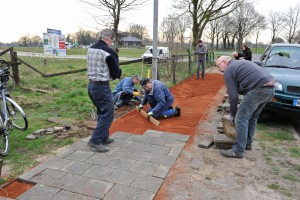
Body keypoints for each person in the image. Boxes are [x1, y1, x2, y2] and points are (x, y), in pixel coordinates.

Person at [216, 56, 275, 158]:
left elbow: (233, 96)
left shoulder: (229, 70)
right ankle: (247, 144)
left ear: (224, 61)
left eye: (218, 65)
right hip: (270, 88)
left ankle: (238, 150)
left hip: (259, 89)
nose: (218, 69)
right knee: (252, 117)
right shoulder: (239, 64)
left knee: (241, 118)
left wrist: (233, 115)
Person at [87, 29, 122, 152]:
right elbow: (116, 72)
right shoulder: (108, 52)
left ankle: (104, 137)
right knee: (108, 114)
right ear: (108, 38)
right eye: (111, 39)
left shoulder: (90, 49)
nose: (111, 42)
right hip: (102, 87)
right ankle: (95, 140)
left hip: (91, 86)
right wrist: (118, 73)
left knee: (102, 111)